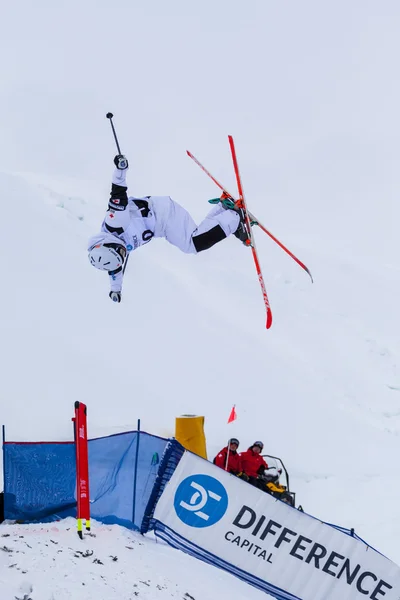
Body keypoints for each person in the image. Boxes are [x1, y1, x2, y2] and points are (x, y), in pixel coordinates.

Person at [88, 155, 249, 302]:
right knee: (195, 236)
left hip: (163, 215)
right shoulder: (113, 252)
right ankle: (225, 208)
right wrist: (115, 290)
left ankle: (235, 218)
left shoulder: (115, 224)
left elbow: (117, 194)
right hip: (162, 224)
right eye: (123, 255)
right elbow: (115, 272)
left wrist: (120, 170)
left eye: (121, 251)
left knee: (193, 244)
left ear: (109, 244)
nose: (124, 251)